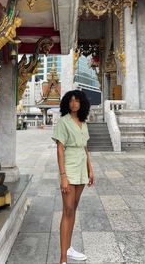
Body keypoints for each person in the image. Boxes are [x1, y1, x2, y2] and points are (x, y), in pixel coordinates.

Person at [52, 90, 95, 264]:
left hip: (81, 168)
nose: (74, 103)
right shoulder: (63, 122)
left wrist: (90, 169)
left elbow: (85, 148)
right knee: (68, 209)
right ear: (67, 104)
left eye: (77, 101)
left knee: (74, 208)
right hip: (69, 167)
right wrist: (63, 176)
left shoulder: (83, 123)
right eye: (71, 101)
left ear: (82, 103)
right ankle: (63, 259)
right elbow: (60, 149)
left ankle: (68, 248)